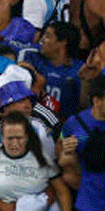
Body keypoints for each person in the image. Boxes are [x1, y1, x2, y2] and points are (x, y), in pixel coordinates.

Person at [0, 112, 71, 211]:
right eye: (9, 138)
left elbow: (62, 191)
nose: (14, 143)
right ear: (2, 137)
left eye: (19, 138)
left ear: (26, 137)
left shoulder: (41, 157)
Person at [59, 74, 105, 211]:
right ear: (97, 101)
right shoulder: (74, 124)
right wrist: (66, 151)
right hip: (89, 200)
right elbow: (61, 160)